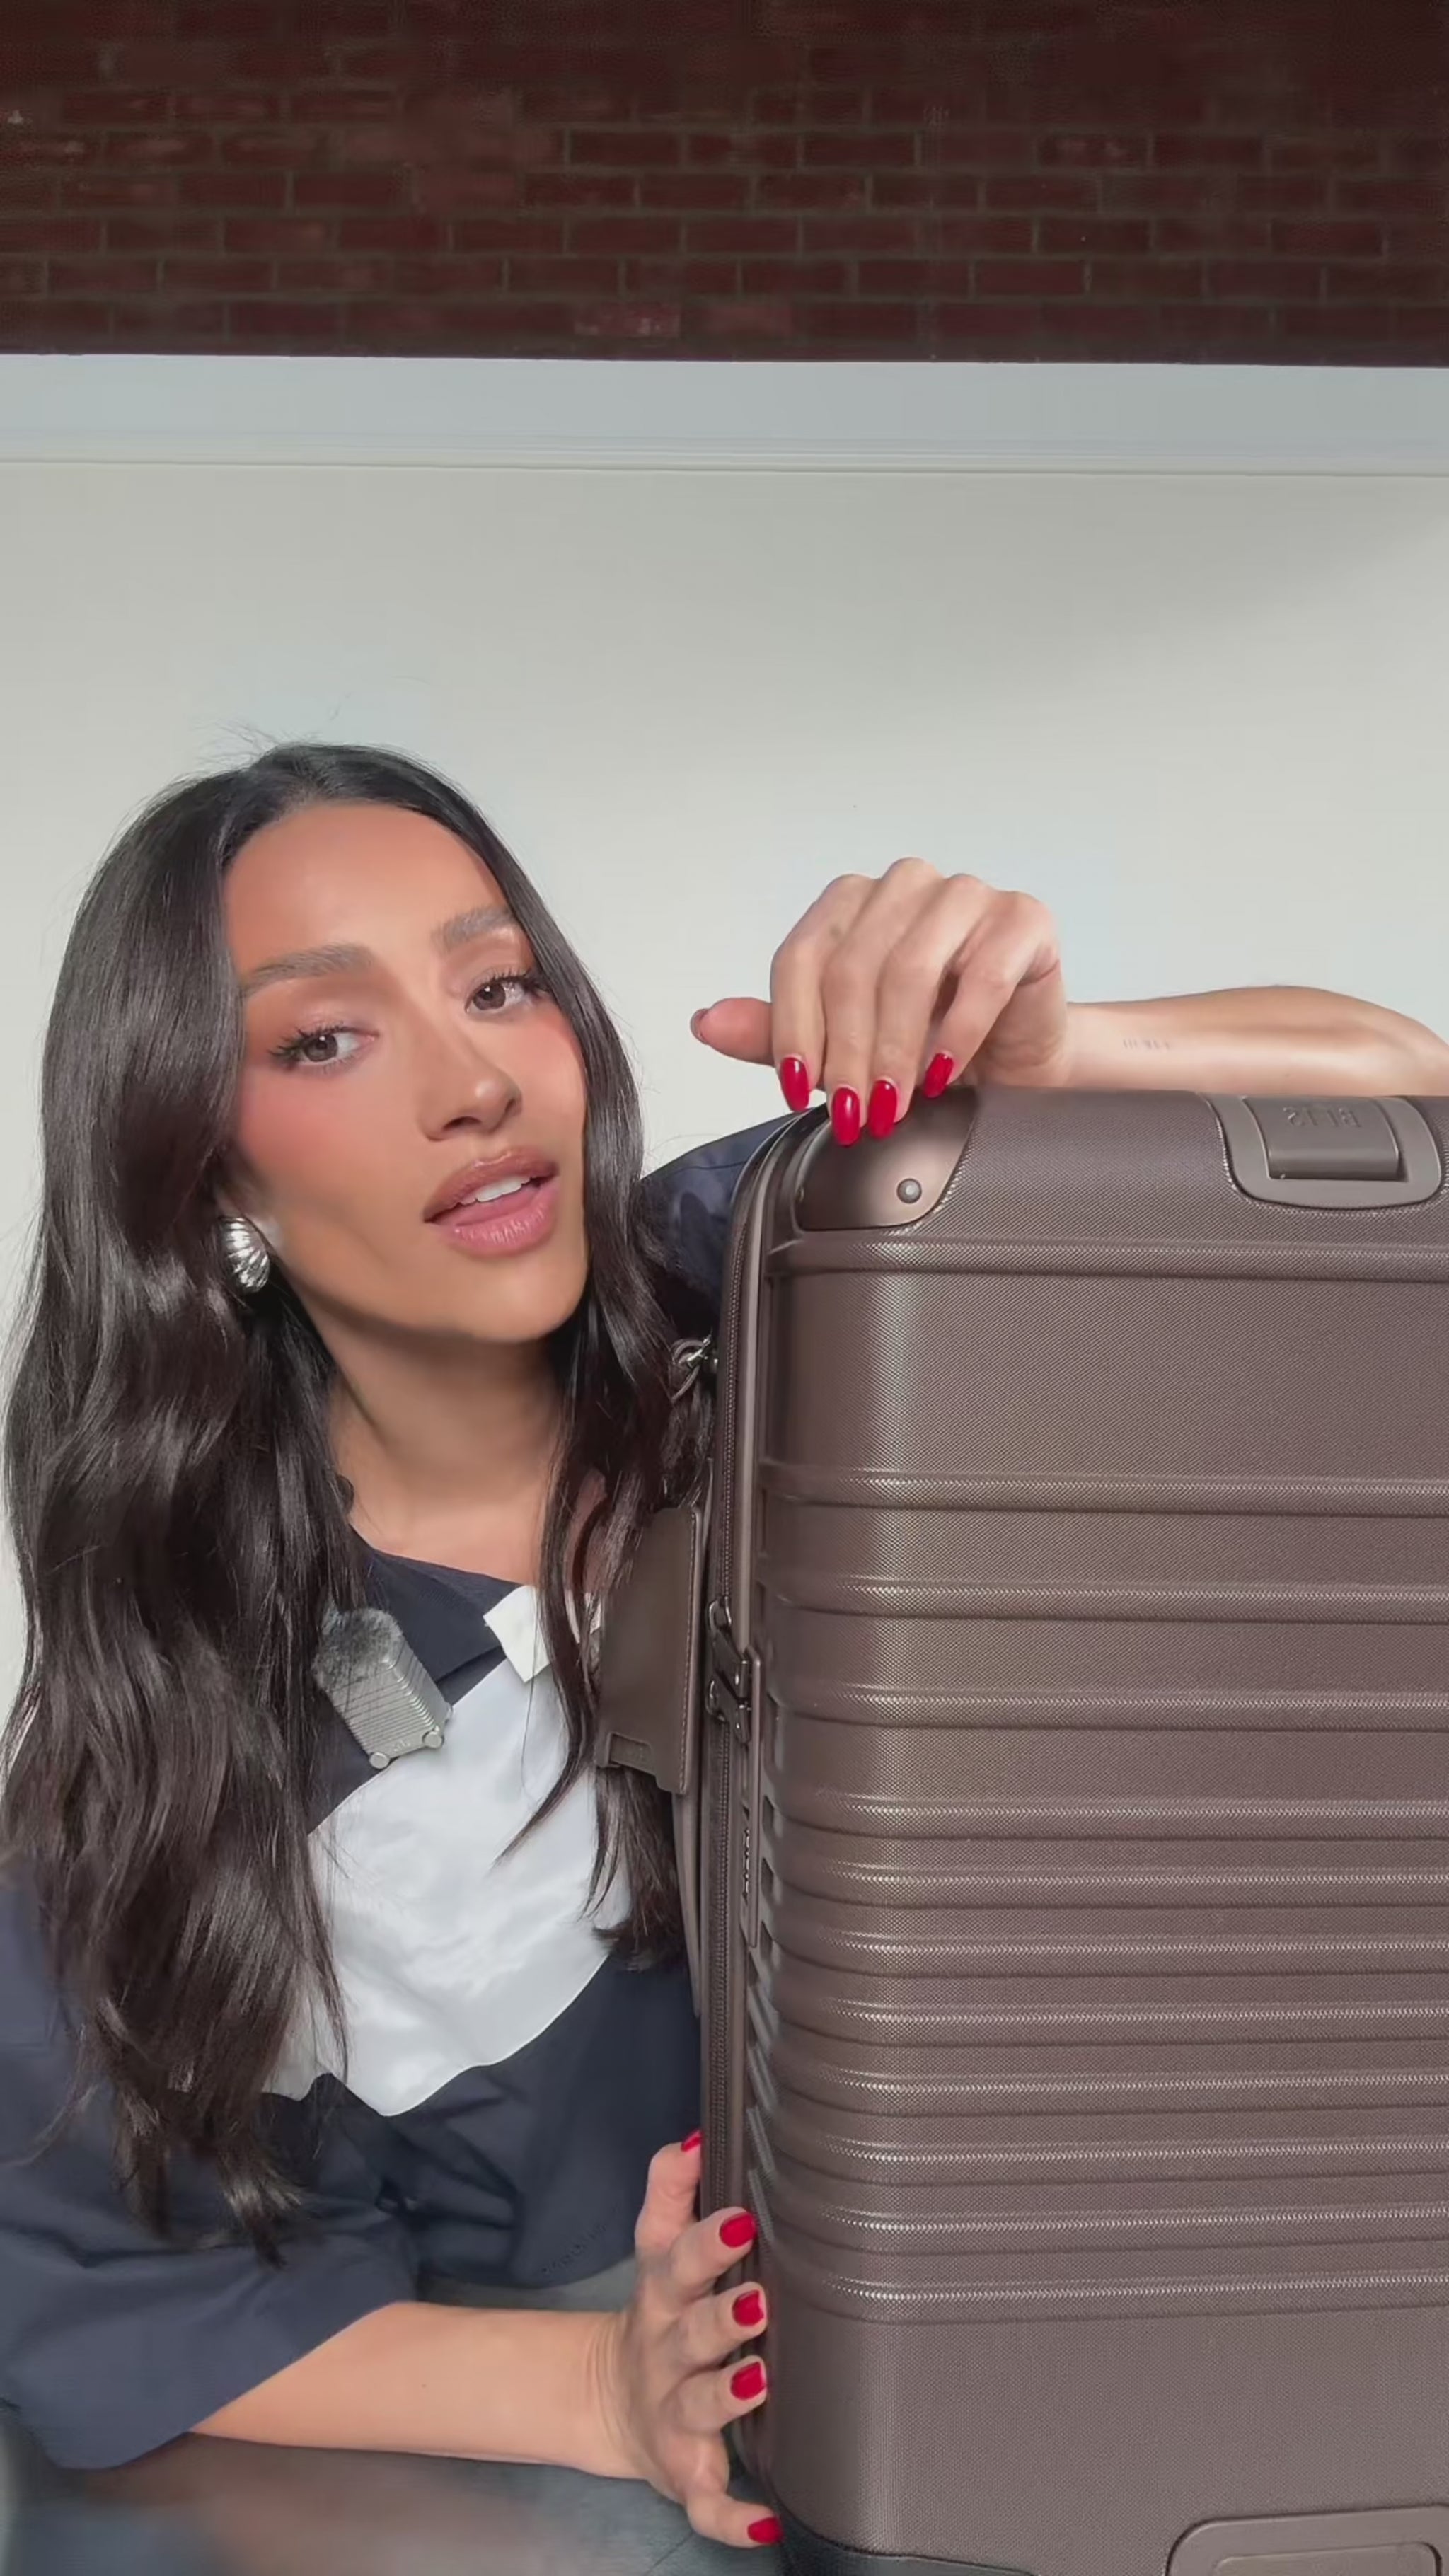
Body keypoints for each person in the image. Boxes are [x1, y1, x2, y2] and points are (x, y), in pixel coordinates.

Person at [0, 744, 1441, 2551]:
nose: (472, 1084)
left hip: (1161, 2305)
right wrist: (595, 2391)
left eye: (497, 985)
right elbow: (101, 2286)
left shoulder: (805, 1273)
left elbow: (1403, 1081)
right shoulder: (191, 1716)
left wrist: (1060, 1061)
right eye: (326, 1038)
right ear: (199, 1168)